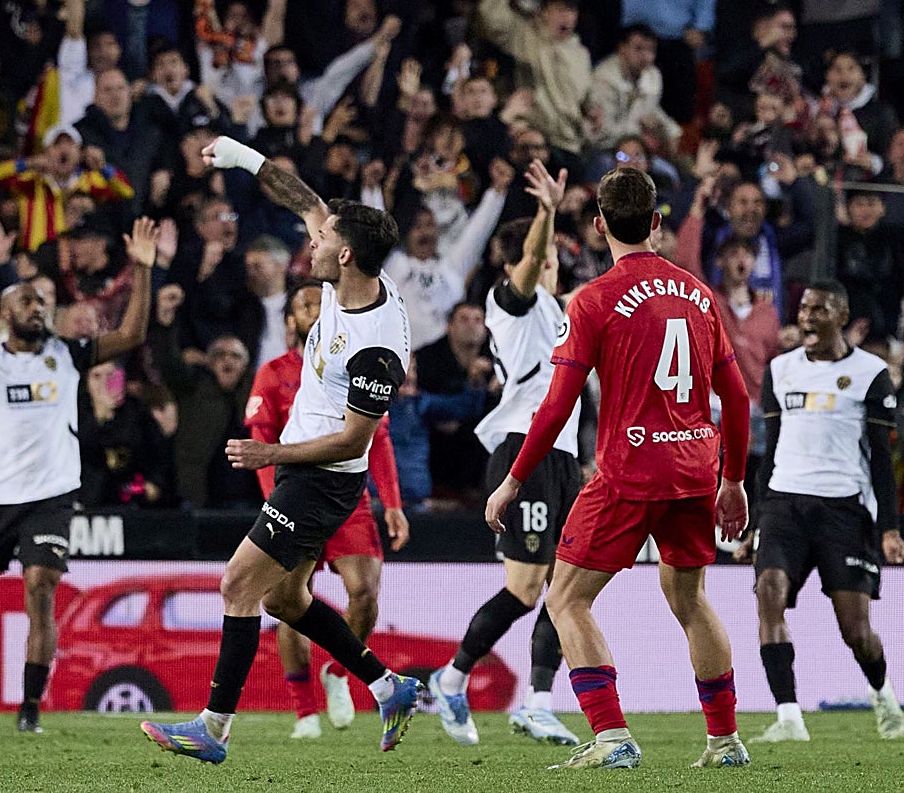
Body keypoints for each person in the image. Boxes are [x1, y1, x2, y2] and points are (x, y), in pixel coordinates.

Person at [140, 136, 419, 764]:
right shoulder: (353, 275)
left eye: (321, 242)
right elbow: (306, 200)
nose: (309, 244)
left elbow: (355, 438)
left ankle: (213, 729)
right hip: (306, 467)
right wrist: (240, 155)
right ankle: (387, 685)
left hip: (321, 478)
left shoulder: (375, 345)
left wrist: (271, 457)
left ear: (345, 255)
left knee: (238, 585)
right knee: (282, 599)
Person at [484, 167, 753, 770]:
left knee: (565, 598)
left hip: (630, 472)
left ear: (600, 224)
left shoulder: (594, 300)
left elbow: (557, 405)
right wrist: (732, 480)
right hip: (694, 470)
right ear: (657, 224)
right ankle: (725, 740)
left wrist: (512, 480)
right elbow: (734, 398)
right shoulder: (700, 295)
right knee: (690, 597)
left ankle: (611, 735)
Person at [0, 217, 158, 734]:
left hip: (52, 497)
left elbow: (132, 334)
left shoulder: (68, 354)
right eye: (26, 302)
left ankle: (29, 708)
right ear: (4, 314)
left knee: (40, 588)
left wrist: (144, 270)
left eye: (42, 301)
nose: (38, 308)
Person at [429, 161, 581, 748]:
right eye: (546, 256)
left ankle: (540, 703)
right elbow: (527, 272)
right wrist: (546, 211)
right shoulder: (507, 305)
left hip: (562, 458)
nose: (554, 263)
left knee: (568, 584)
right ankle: (453, 677)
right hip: (523, 451)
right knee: (525, 587)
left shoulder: (563, 314)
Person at [734, 280, 904, 743]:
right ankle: (789, 716)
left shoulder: (871, 373)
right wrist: (754, 523)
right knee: (768, 593)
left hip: (843, 510)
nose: (807, 318)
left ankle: (882, 694)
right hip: (784, 504)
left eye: (819, 309)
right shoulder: (780, 370)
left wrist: (889, 529)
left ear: (843, 314)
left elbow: (880, 459)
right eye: (804, 309)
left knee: (855, 630)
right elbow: (769, 453)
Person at [246, 280, 408, 739]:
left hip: (349, 496)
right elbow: (262, 443)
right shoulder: (273, 373)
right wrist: (275, 505)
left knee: (366, 593)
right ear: (290, 320)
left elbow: (378, 437)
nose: (314, 308)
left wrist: (392, 504)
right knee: (287, 600)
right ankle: (305, 713)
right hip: (296, 496)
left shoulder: (357, 360)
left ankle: (339, 673)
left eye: (321, 302)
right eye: (303, 304)